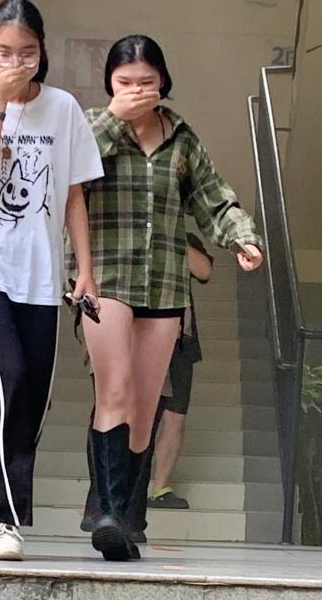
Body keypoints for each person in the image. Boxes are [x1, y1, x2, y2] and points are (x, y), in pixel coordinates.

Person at [76, 35, 264, 561]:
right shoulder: (90, 127)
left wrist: (242, 238)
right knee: (114, 388)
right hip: (105, 277)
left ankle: (127, 513)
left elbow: (213, 198)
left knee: (145, 403)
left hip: (164, 283)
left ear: (163, 83)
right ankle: (106, 511)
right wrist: (115, 117)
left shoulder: (181, 138)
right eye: (125, 82)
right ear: (109, 83)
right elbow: (67, 174)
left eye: (147, 82)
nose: (136, 90)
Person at [0, 0, 100, 561]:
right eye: (4, 52)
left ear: (42, 50)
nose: (16, 62)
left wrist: (84, 270)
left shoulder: (64, 108)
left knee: (32, 399)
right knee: (6, 379)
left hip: (39, 273)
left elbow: (73, 193)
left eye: (27, 52)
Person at [80, 232, 213, 538]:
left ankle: (131, 513)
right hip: (111, 319)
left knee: (147, 416)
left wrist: (169, 236)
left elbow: (204, 270)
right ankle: (101, 505)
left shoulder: (177, 234)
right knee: (111, 406)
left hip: (169, 332)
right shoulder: (117, 230)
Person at [147, 233, 215, 511]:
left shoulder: (182, 238)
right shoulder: (131, 233)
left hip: (179, 340)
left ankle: (159, 488)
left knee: (176, 415)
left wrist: (172, 237)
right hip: (140, 335)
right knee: (134, 414)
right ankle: (124, 488)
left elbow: (204, 270)